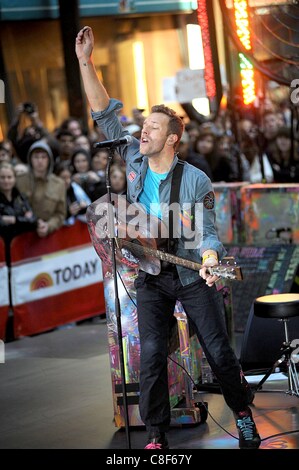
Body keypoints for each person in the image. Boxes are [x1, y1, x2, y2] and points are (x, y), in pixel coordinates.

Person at [75, 26, 261, 450]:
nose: (143, 132)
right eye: (143, 126)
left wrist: (211, 257)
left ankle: (244, 415)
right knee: (152, 355)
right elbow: (104, 112)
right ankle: (156, 435)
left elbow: (207, 232)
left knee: (218, 352)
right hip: (150, 273)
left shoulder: (195, 180)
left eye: (153, 128)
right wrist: (86, 62)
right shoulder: (135, 161)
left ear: (172, 139)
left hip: (191, 273)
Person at [16, 140, 66, 238]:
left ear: (49, 160)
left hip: (47, 236)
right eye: (36, 157)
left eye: (43, 157)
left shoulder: (58, 183)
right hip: (22, 235)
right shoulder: (19, 180)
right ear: (30, 159)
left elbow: (60, 214)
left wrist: (49, 226)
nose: (40, 161)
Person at [0, 162, 37, 262]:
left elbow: (33, 221)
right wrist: (23, 220)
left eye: (9, 177)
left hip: (23, 251)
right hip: (3, 252)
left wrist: (15, 220)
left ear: (14, 179)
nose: (6, 180)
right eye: (2, 177)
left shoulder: (20, 198)